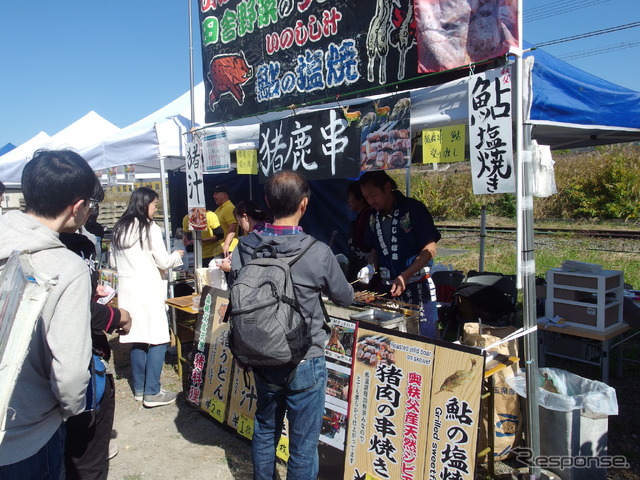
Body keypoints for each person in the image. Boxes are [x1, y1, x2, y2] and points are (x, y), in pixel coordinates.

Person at [229, 171, 353, 480]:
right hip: (306, 357)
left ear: (268, 202)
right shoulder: (318, 252)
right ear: (305, 204)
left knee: (266, 427)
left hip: (260, 351)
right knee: (303, 443)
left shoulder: (244, 248)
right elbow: (345, 297)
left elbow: (236, 291)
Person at [0, 149, 94, 479]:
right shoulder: (67, 268)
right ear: (78, 207)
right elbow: (69, 374)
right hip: (25, 434)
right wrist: (71, 411)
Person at [59, 177, 132, 479]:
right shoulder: (65, 249)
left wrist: (94, 290)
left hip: (77, 361)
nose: (92, 213)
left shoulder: (82, 243)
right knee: (85, 459)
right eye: (91, 206)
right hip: (75, 366)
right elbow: (71, 308)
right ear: (78, 206)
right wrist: (118, 318)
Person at [111, 187, 184, 408]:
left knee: (139, 339)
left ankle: (141, 389)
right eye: (154, 204)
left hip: (128, 291)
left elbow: (113, 263)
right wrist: (177, 255)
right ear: (145, 204)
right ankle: (152, 391)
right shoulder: (149, 227)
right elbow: (162, 261)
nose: (155, 208)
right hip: (149, 289)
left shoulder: (119, 227)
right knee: (159, 339)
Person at [359, 170, 441, 338]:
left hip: (417, 285)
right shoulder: (373, 216)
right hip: (388, 288)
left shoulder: (413, 209)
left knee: (423, 341)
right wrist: (370, 267)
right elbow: (375, 247)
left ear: (387, 187)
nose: (370, 201)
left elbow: (430, 249)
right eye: (366, 197)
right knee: (390, 342)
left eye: (373, 195)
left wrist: (405, 275)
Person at [346, 181, 374, 287]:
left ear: (361, 198)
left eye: (350, 197)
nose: (348, 201)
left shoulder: (368, 215)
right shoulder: (360, 216)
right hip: (357, 265)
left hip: (366, 269)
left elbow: (372, 246)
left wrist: (370, 267)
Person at [212, 184, 239, 257]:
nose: (214, 196)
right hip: (219, 247)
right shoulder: (219, 209)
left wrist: (226, 244)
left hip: (228, 248)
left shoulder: (229, 207)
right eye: (214, 194)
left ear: (224, 195)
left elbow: (233, 225)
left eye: (216, 194)